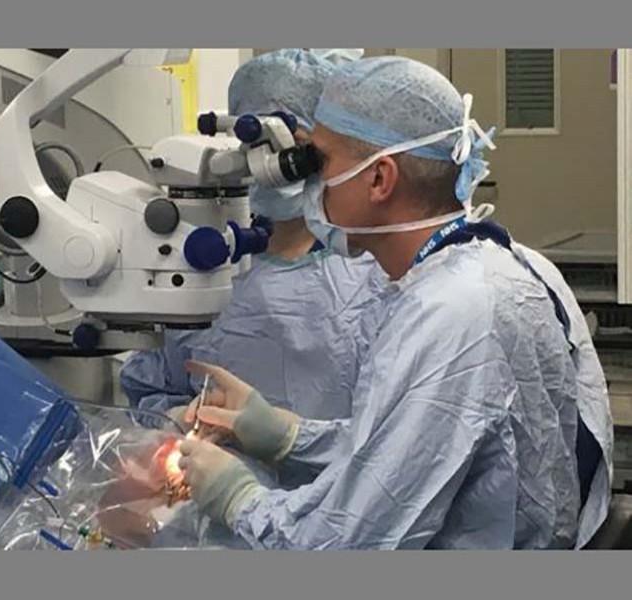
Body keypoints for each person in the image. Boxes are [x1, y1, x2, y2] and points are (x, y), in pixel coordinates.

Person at [177, 56, 610, 549]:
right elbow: (417, 452)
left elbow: (344, 547)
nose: (304, 184)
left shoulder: (448, 315)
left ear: (379, 179)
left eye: (317, 162)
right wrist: (289, 438)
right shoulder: (504, 264)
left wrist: (238, 498)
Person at [120, 49, 386, 444]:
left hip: (342, 499)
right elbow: (149, 388)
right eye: (254, 144)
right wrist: (178, 418)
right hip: (212, 492)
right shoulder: (196, 266)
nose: (270, 162)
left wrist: (289, 441)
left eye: (292, 148)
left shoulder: (375, 276)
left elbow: (401, 432)